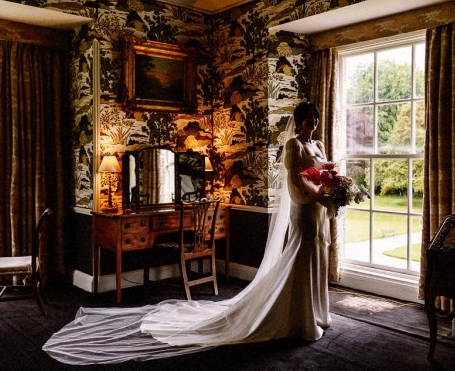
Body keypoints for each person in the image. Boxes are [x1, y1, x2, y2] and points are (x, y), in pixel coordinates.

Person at [43, 101, 332, 364]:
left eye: (315, 119)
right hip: (304, 208)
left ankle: (314, 311)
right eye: (309, 119)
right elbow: (298, 185)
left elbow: (322, 173)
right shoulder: (294, 147)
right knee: (300, 254)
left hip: (315, 210)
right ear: (299, 121)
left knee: (311, 255)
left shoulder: (317, 145)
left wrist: (331, 191)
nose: (314, 124)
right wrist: (322, 194)